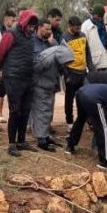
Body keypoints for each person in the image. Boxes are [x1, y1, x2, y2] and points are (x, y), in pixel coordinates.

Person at [0, 10, 39, 157]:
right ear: (23, 22)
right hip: (13, 77)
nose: (32, 29)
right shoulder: (10, 34)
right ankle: (12, 144)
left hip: (28, 77)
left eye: (34, 26)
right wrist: (5, 69)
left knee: (26, 110)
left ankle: (22, 141)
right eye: (30, 26)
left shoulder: (31, 37)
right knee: (15, 110)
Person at [31, 20, 66, 152]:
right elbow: (35, 62)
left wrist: (54, 44)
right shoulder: (32, 42)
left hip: (51, 83)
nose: (49, 32)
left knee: (48, 112)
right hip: (39, 83)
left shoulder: (52, 42)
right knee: (41, 111)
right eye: (46, 29)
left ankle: (46, 135)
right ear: (39, 28)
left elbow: (60, 57)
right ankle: (41, 139)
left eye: (50, 29)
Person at [62, 16, 92, 130]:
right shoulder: (64, 38)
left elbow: (87, 53)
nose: (77, 30)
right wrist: (66, 75)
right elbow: (62, 59)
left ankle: (87, 120)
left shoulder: (83, 36)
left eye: (79, 27)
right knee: (69, 99)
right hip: (71, 73)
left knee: (85, 97)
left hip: (83, 72)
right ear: (69, 26)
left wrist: (91, 70)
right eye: (75, 28)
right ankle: (69, 122)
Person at [0, 9, 17, 124]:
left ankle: (13, 114)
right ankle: (0, 115)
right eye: (13, 19)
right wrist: (0, 69)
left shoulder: (15, 32)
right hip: (2, 65)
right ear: (6, 19)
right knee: (1, 91)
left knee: (13, 90)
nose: (14, 22)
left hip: (13, 65)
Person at [81, 4, 107, 70]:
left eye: (101, 16)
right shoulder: (86, 25)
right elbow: (83, 46)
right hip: (93, 63)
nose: (100, 18)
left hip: (106, 62)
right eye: (98, 16)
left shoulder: (105, 25)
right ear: (94, 14)